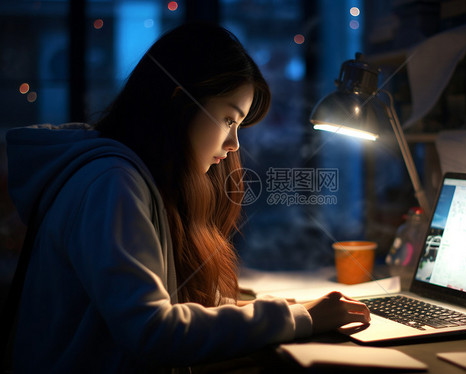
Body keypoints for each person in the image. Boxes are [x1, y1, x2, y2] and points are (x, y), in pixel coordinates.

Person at [5, 22, 370, 372]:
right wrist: (298, 318)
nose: (234, 144)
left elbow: (179, 306)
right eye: (230, 119)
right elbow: (153, 331)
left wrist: (297, 310)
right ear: (182, 101)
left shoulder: (136, 176)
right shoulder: (112, 183)